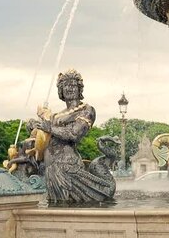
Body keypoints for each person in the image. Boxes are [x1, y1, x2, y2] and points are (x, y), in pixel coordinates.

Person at [32, 69, 115, 203]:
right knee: (56, 204)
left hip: (67, 167)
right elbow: (44, 135)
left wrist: (48, 127)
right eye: (66, 85)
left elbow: (74, 134)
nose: (70, 88)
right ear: (61, 90)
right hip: (51, 167)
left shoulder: (87, 110)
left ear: (79, 89)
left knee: (70, 204)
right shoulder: (57, 115)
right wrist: (35, 126)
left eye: (73, 85)